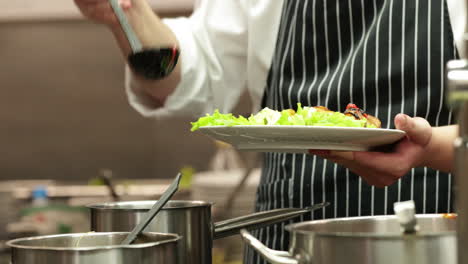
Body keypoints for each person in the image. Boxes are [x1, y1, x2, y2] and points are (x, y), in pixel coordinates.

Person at [74, 0, 463, 263]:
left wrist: (429, 148)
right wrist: (128, 14)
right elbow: (187, 79)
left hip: (436, 238)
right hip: (286, 246)